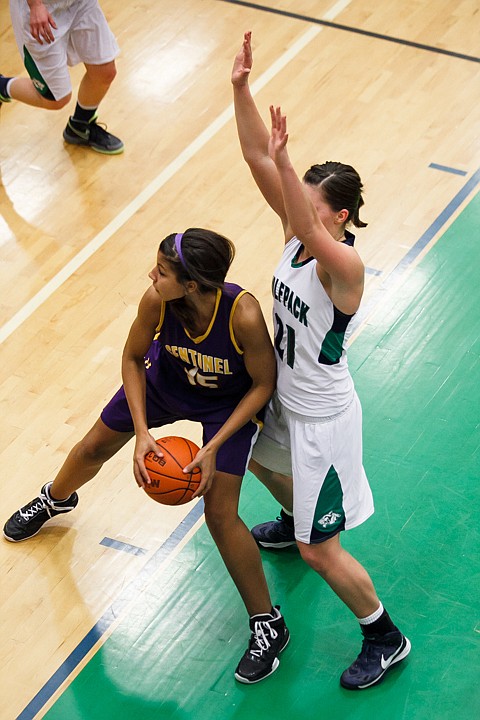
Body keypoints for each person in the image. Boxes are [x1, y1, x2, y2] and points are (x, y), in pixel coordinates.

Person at [3, 227, 289, 683]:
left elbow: (263, 384)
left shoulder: (243, 315)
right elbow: (133, 358)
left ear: (192, 284)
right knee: (94, 445)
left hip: (226, 406)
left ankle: (267, 623)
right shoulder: (156, 300)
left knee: (218, 513)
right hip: (166, 386)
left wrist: (213, 446)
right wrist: (140, 432)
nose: (150, 274)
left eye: (161, 270)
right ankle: (56, 498)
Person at [231, 31, 411, 691]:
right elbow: (254, 152)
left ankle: (384, 635)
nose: (297, 210)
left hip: (325, 423)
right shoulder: (297, 237)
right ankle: (293, 511)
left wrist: (286, 161)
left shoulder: (345, 269)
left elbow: (302, 223)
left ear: (338, 216)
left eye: (310, 204)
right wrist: (241, 88)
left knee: (319, 550)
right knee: (257, 458)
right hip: (285, 402)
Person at [0, 0, 123, 154]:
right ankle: (2, 86)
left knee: (104, 71)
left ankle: (80, 125)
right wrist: (35, 5)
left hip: (80, 3)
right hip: (41, 9)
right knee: (56, 99)